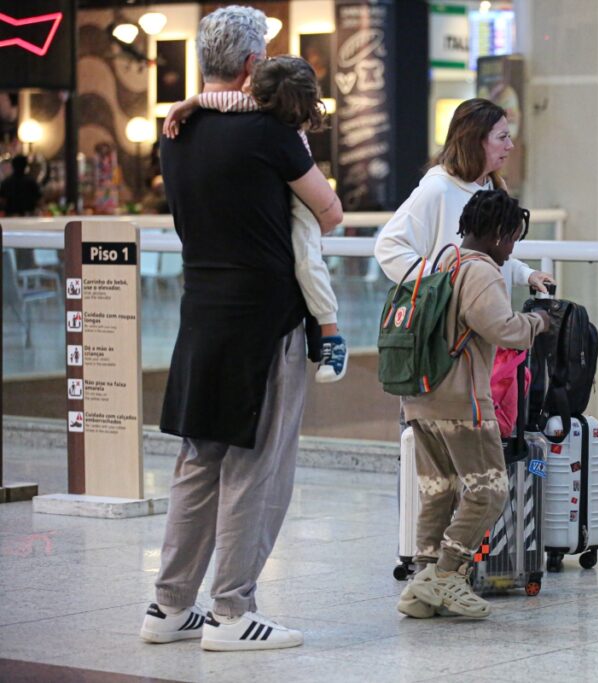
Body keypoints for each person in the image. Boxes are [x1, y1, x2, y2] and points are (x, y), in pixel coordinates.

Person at [139, 5, 342, 652]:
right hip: (266, 320)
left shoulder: (176, 128)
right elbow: (330, 212)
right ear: (254, 64)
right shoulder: (271, 133)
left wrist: (196, 96)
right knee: (258, 465)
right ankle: (232, 611)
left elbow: (205, 105)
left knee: (198, 461)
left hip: (201, 315)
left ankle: (168, 605)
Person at [397, 189, 550, 619]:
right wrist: (539, 322)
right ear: (499, 234)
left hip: (422, 398)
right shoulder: (481, 272)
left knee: (440, 492)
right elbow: (504, 329)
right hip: (462, 401)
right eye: (512, 238)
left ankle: (420, 587)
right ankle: (447, 575)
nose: (511, 248)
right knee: (489, 491)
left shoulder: (444, 261)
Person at [162, 55, 349, 382]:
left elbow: (222, 99)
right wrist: (191, 102)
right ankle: (328, 335)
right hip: (290, 213)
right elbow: (332, 214)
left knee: (308, 261)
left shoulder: (265, 120)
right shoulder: (271, 124)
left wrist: (188, 102)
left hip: (291, 211)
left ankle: (331, 335)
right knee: (308, 261)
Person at [374, 98, 554, 297]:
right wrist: (442, 280)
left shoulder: (494, 187)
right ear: (475, 141)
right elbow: (389, 247)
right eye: (502, 137)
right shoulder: (438, 188)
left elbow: (493, 256)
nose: (510, 145)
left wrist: (527, 274)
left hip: (490, 316)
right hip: (452, 322)